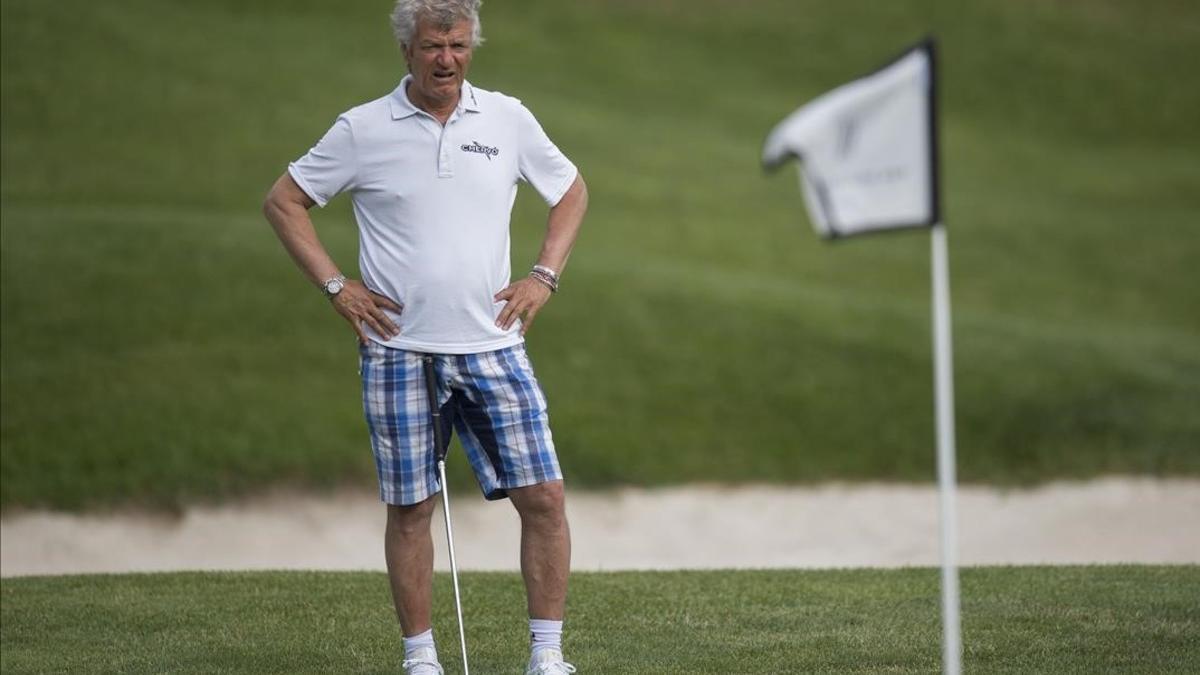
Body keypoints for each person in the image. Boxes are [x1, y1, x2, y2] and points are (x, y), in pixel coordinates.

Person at [262, 1, 587, 672]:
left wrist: (544, 276)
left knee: (545, 496)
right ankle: (421, 659)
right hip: (397, 349)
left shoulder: (506, 117)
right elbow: (284, 200)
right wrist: (336, 286)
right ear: (407, 51)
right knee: (411, 506)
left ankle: (548, 655)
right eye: (435, 45)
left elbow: (571, 190)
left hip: (493, 343)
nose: (448, 59)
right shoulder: (362, 128)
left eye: (460, 45)